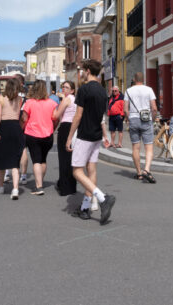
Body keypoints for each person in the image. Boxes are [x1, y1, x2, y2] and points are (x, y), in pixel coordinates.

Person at [66, 59, 116, 224]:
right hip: (96, 136)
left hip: (85, 134)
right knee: (91, 170)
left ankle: (103, 198)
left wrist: (69, 137)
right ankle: (85, 208)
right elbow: (102, 115)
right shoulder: (103, 91)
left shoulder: (84, 89)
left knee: (77, 171)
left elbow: (78, 115)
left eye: (82, 70)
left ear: (87, 71)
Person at [0, 78, 25, 200]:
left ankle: (1, 186)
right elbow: (18, 114)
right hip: (15, 128)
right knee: (15, 161)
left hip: (4, 127)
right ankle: (15, 189)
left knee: (1, 158)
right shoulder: (19, 99)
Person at [21, 80, 58, 195]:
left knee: (36, 160)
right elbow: (56, 119)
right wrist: (53, 129)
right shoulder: (52, 103)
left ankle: (38, 186)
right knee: (43, 160)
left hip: (33, 134)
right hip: (48, 135)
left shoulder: (30, 102)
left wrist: (21, 129)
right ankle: (40, 180)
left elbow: (24, 119)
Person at [124, 73, 158, 183]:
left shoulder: (128, 91)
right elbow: (154, 108)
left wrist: (128, 118)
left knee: (135, 147)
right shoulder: (149, 90)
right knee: (149, 147)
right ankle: (146, 170)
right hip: (146, 119)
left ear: (134, 79)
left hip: (133, 119)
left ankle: (139, 173)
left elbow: (125, 109)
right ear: (143, 79)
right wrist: (152, 119)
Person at [53, 81, 78, 196]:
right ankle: (71, 186)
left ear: (72, 90)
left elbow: (56, 116)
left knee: (63, 158)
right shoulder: (76, 100)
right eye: (63, 87)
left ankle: (64, 187)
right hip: (74, 128)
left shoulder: (66, 100)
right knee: (71, 158)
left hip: (65, 127)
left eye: (67, 87)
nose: (64, 89)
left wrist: (54, 108)